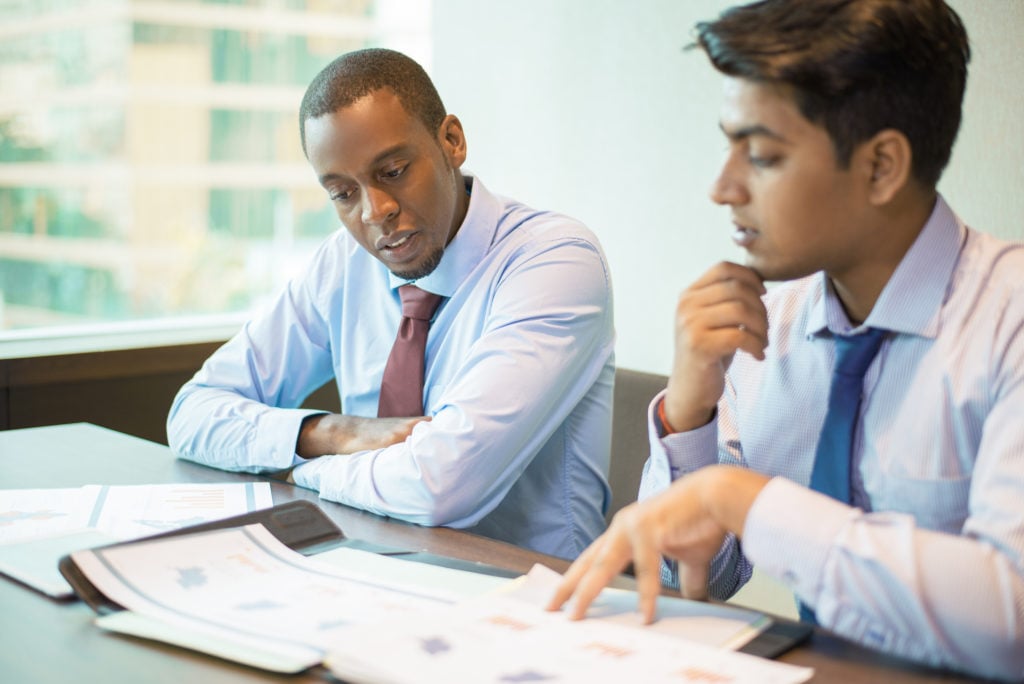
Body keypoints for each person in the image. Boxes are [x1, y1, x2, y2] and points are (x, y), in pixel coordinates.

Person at [548, 0, 1023, 680]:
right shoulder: (765, 323)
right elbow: (699, 577)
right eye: (727, 144)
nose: (721, 187)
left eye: (762, 154)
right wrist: (690, 415)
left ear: (882, 165)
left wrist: (742, 499)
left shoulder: (1010, 320)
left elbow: (1010, 619)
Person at [167, 48, 615, 559]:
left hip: (526, 594)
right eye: (342, 193)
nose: (374, 212)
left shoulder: (554, 260)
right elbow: (191, 413)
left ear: (452, 141)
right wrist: (331, 432)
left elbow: (437, 486)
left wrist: (292, 467)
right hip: (366, 568)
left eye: (394, 171)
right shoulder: (343, 263)